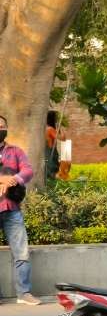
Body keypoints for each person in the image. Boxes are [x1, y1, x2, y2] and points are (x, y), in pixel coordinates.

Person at [0, 116, 38, 305]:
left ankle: (24, 293)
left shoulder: (15, 151)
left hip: (12, 209)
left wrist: (14, 179)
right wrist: (2, 179)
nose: (0, 129)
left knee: (21, 252)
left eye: (2, 126)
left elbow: (28, 170)